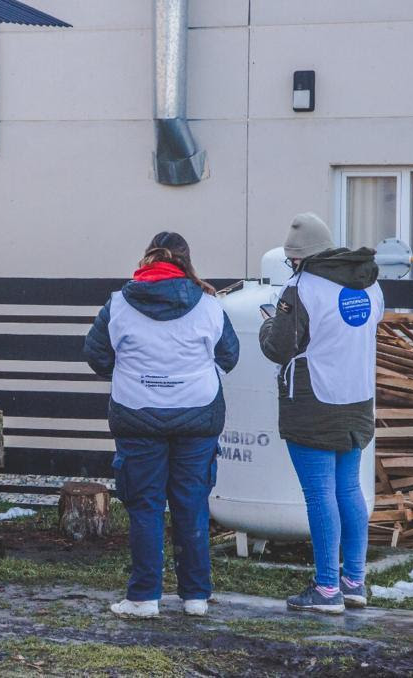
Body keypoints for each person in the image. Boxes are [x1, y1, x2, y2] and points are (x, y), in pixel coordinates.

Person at [84, 232, 239, 619]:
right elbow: (230, 356)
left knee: (145, 506)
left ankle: (143, 598)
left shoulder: (119, 304)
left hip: (138, 416)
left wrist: (133, 374)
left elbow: (96, 355)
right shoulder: (208, 304)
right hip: (198, 416)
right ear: (186, 262)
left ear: (147, 260)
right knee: (191, 504)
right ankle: (196, 597)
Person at [259, 213, 383, 614]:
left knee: (319, 494)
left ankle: (326, 588)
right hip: (358, 399)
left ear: (299, 257)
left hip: (314, 401)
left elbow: (279, 347)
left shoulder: (302, 287)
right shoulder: (369, 284)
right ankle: (353, 582)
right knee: (348, 488)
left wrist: (268, 325)